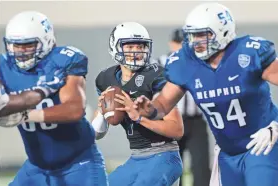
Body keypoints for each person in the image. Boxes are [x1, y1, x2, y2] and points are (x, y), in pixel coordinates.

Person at [130, 3, 278, 186]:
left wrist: (276, 126)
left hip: (262, 144)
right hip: (228, 153)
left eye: (202, 35)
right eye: (193, 35)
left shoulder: (248, 53)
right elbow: (163, 104)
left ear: (223, 31)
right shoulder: (185, 63)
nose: (196, 42)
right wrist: (149, 109)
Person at [0, 11, 108, 186]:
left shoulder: (63, 60)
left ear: (47, 40)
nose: (20, 52)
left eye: (28, 45)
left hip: (78, 163)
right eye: (15, 46)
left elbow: (74, 110)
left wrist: (25, 115)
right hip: (36, 167)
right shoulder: (3, 66)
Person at [93, 22, 183, 186]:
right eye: (130, 46)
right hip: (136, 157)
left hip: (164, 156)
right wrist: (102, 112)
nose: (136, 51)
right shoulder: (106, 79)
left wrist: (139, 117)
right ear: (115, 48)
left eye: (140, 46)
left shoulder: (156, 76)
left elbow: (176, 129)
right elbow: (96, 134)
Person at [156, 28, 210, 186]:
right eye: (178, 43)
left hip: (196, 121)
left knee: (201, 167)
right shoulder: (161, 62)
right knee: (172, 167)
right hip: (171, 120)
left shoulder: (200, 61)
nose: (181, 47)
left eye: (184, 43)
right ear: (171, 43)